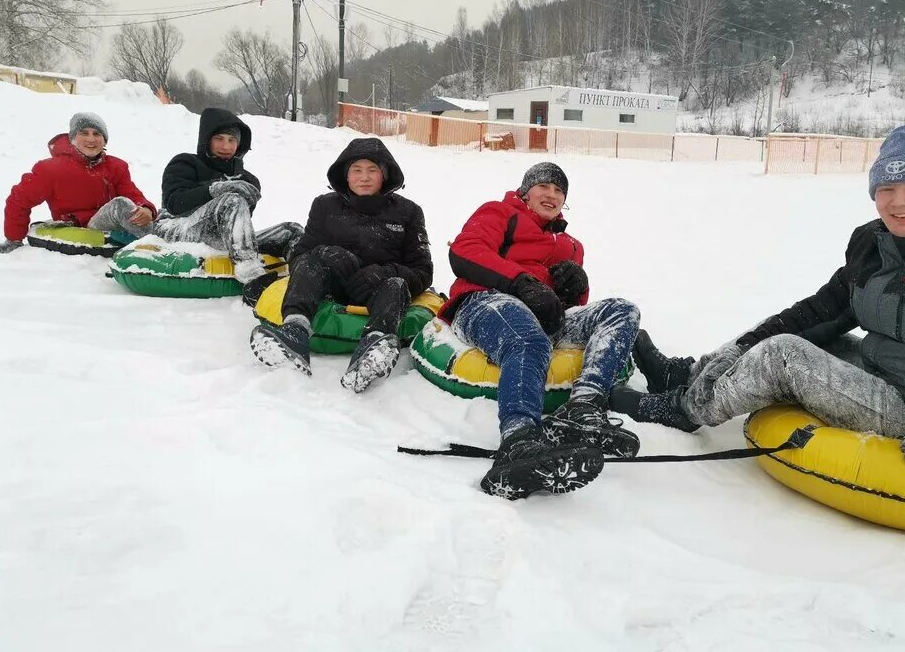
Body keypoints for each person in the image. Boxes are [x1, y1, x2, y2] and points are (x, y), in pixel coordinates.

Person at [615, 123, 905, 481]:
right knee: (791, 333)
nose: (898, 202)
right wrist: (739, 348)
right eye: (886, 189)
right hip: (887, 371)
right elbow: (823, 311)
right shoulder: (875, 242)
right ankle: (686, 375)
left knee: (783, 356)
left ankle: (685, 411)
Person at [441, 161, 641, 500]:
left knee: (622, 310)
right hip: (486, 303)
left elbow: (565, 304)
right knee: (527, 339)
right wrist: (520, 282)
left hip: (546, 318)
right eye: (543, 187)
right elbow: (465, 252)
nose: (551, 194)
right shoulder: (499, 213)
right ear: (525, 191)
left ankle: (584, 408)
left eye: (559, 190)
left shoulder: (571, 245)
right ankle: (519, 442)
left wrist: (578, 288)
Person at [249, 137, 433, 391]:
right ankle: (295, 333)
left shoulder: (409, 212)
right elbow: (300, 255)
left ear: (385, 175)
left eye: (373, 170)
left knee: (397, 284)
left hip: (379, 290)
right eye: (356, 170)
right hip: (333, 286)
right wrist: (325, 253)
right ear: (345, 176)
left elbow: (423, 271)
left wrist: (383, 272)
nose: (364, 178)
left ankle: (374, 347)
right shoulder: (325, 205)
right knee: (309, 265)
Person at [153, 107, 303, 290]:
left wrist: (248, 200)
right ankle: (252, 276)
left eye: (232, 140)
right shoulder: (185, 163)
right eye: (219, 139)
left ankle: (301, 281)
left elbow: (238, 223)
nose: (226, 146)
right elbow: (175, 203)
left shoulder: (247, 179)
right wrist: (216, 189)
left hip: (221, 238)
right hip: (176, 226)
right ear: (206, 140)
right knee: (232, 200)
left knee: (291, 230)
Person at [0, 112, 156, 254]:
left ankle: (162, 236)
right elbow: (18, 200)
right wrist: (14, 239)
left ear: (104, 141)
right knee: (119, 205)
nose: (91, 139)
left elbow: (132, 194)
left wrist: (147, 208)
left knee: (162, 214)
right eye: (84, 133)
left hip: (112, 224)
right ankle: (156, 247)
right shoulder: (51, 169)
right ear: (73, 138)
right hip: (83, 226)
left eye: (97, 134)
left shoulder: (116, 166)